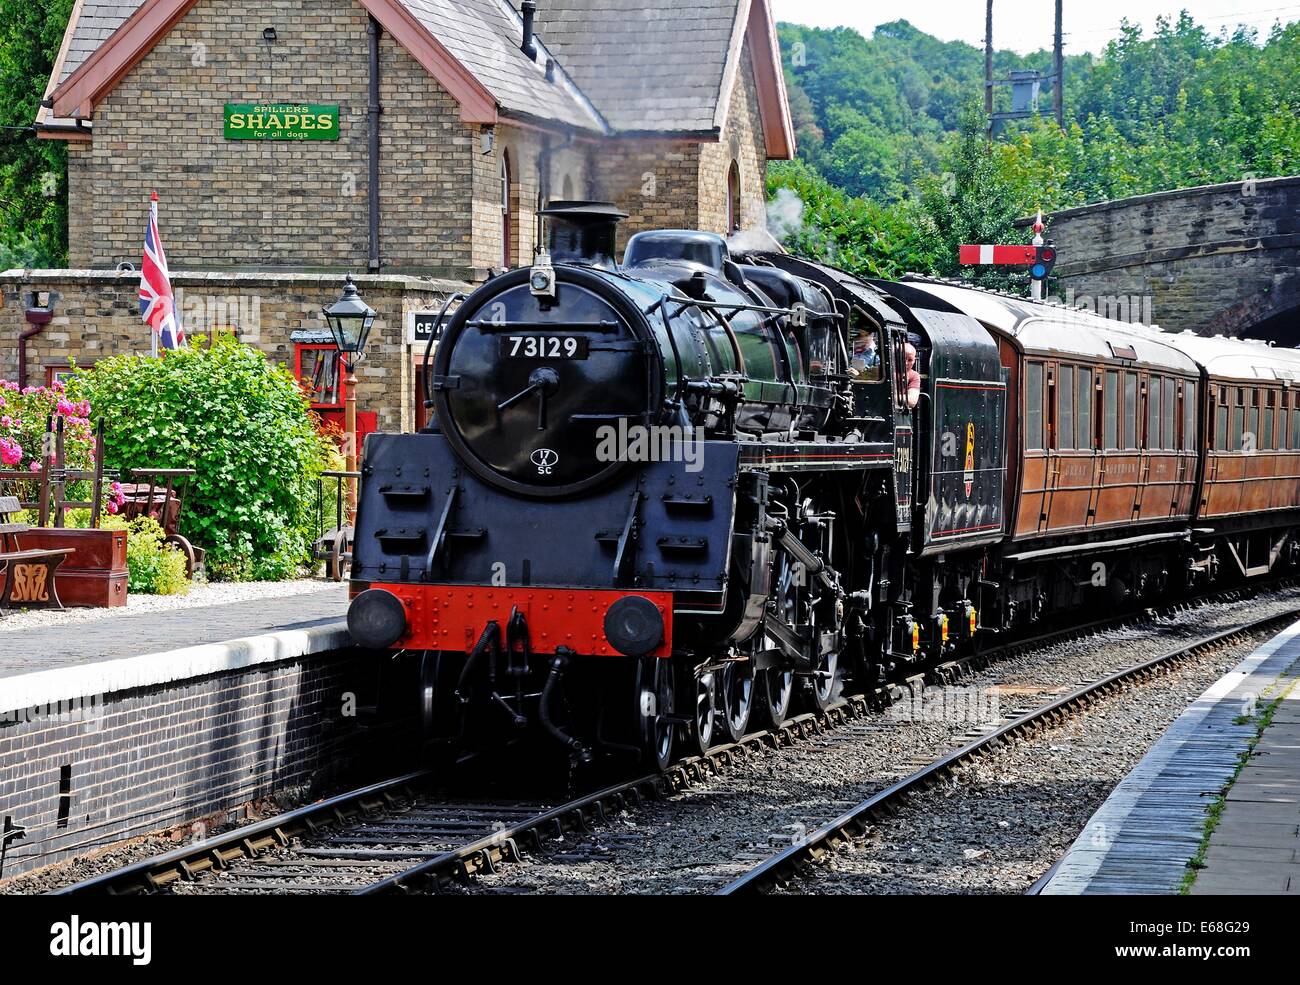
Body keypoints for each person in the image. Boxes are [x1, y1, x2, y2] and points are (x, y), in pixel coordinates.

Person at [904, 341, 921, 409]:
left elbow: (912, 401)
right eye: (903, 358)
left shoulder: (914, 376)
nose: (906, 363)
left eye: (910, 360)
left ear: (914, 361)